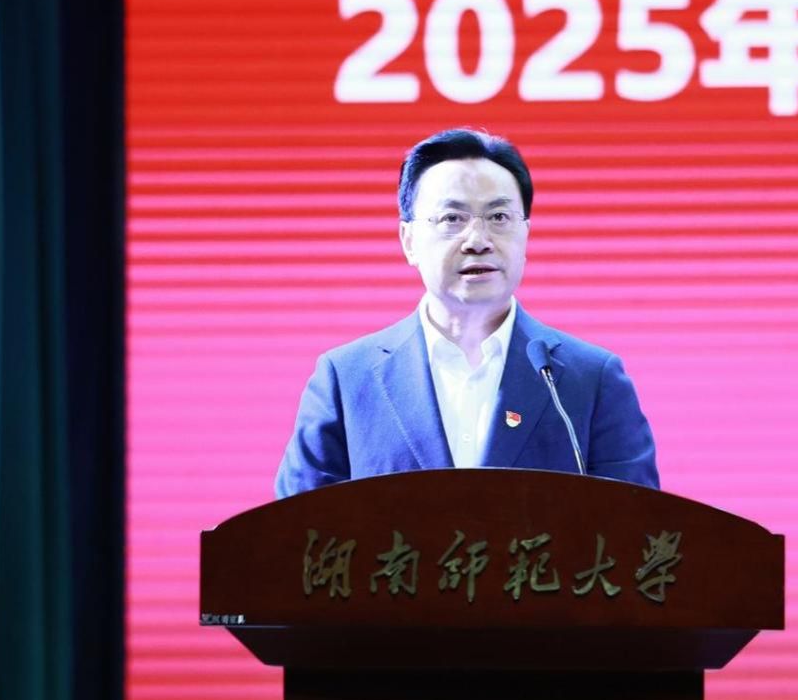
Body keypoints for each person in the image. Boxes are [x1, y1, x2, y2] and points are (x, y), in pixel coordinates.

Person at [275, 129, 658, 496]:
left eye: (499, 218)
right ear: (409, 241)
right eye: (452, 219)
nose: (478, 241)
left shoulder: (590, 379)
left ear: (525, 234)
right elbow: (295, 528)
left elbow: (638, 525)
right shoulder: (346, 378)